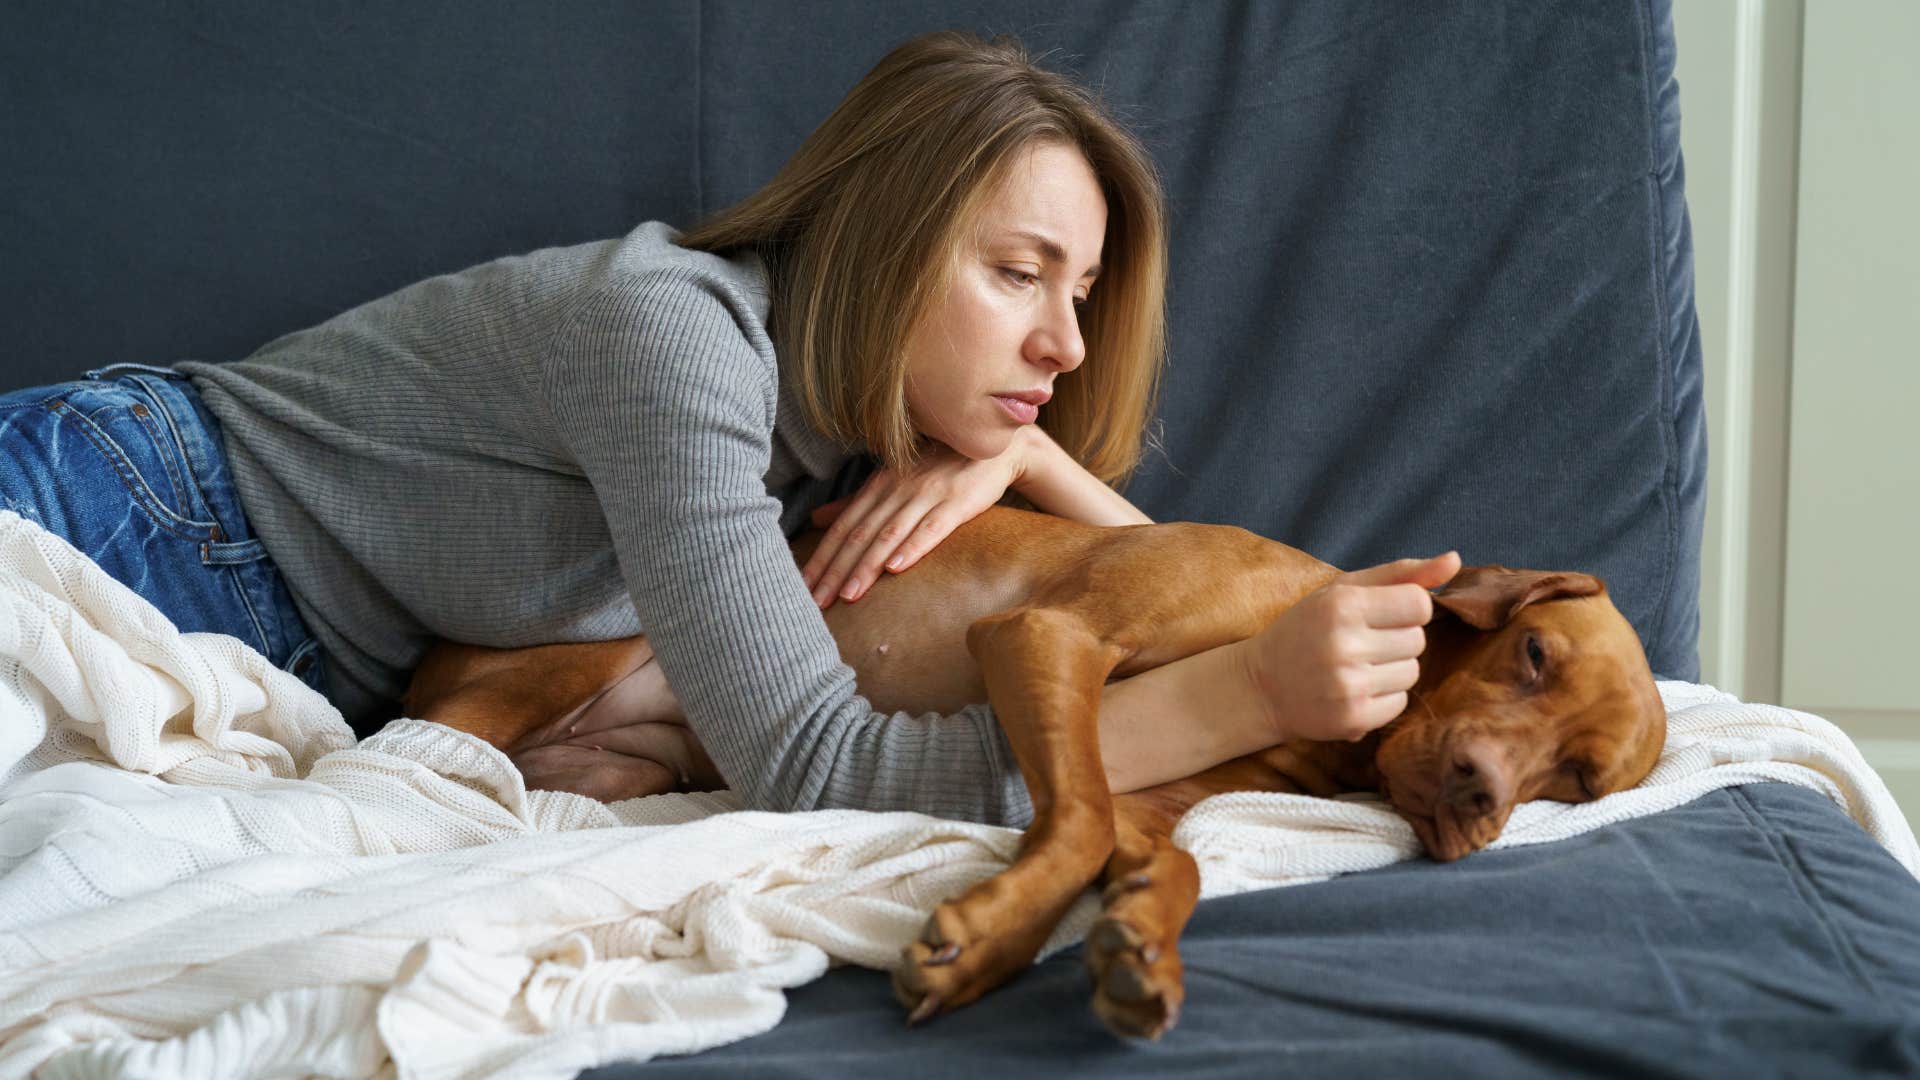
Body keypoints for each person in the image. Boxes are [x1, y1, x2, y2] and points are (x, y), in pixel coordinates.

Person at [0, 30, 1456, 827]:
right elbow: (815, 770)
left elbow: (1174, 592)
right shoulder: (673, 341)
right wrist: (1247, 703)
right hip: (122, 507)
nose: (1066, 345)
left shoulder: (839, 445)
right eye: (1018, 275)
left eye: (1079, 294)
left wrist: (1030, 454)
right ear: (881, 239)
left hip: (258, 654)